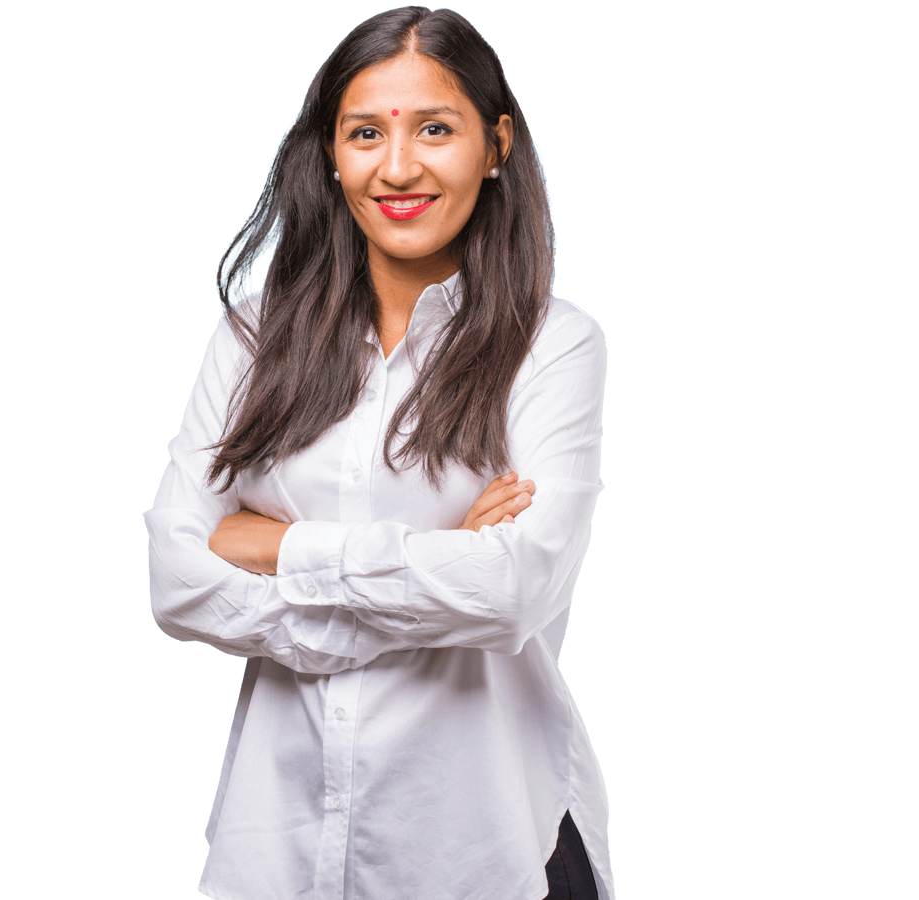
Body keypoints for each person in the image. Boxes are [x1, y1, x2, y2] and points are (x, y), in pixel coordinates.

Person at [144, 7, 611, 899]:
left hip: (484, 849)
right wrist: (439, 572)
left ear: (497, 144)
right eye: (365, 133)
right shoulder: (251, 338)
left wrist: (274, 545)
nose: (398, 168)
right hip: (273, 851)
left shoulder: (553, 346)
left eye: (436, 128)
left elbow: (510, 595)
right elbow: (175, 582)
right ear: (329, 151)